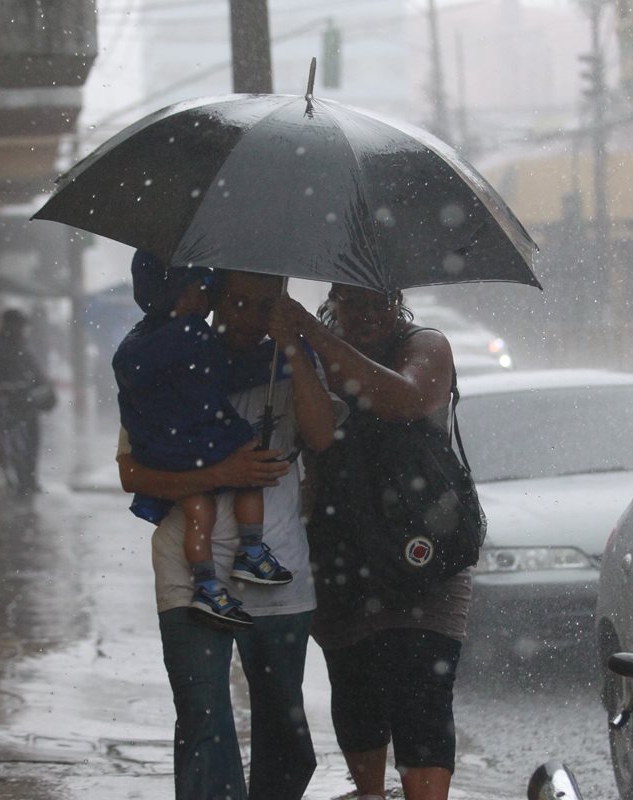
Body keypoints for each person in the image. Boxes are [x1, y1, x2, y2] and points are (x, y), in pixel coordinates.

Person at [117, 269, 338, 800]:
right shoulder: (171, 359)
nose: (248, 316)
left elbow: (323, 434)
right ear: (215, 299)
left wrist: (291, 344)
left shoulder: (291, 363)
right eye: (237, 301)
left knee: (284, 725)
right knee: (202, 719)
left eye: (265, 304)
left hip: (275, 568)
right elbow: (132, 473)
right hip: (189, 572)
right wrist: (220, 474)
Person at [270, 284, 468, 800]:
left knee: (423, 692)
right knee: (356, 686)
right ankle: (370, 794)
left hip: (421, 550)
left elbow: (404, 399)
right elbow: (307, 435)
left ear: (397, 298)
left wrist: (311, 332)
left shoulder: (426, 345)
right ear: (333, 298)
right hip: (339, 547)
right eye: (353, 301)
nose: (368, 314)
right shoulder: (308, 352)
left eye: (379, 300)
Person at [113, 253, 293, 629]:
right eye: (202, 288)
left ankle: (207, 583)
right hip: (204, 438)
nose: (205, 297)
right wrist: (285, 357)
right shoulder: (193, 334)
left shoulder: (138, 340)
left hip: (164, 448)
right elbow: (227, 372)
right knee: (251, 467)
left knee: (199, 511)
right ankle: (252, 549)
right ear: (180, 293)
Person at [0, 308, 53, 494]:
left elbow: (35, 371)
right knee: (17, 447)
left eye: (22, 325)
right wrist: (14, 388)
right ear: (9, 325)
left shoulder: (23, 344)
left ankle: (29, 481)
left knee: (31, 445)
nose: (21, 329)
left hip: (28, 404)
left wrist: (42, 386)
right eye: (18, 325)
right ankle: (23, 483)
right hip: (12, 407)